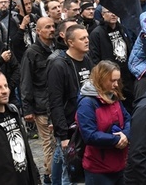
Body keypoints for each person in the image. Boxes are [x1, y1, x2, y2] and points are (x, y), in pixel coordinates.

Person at [48, 24, 94, 185]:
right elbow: (56, 102)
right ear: (70, 42)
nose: (87, 41)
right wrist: (63, 135)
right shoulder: (58, 65)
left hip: (85, 124)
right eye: (82, 38)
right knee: (70, 174)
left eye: (87, 37)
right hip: (69, 127)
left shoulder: (87, 60)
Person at [77, 60, 131, 184]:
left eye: (117, 80)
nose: (116, 84)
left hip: (120, 165)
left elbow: (127, 118)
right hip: (98, 169)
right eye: (112, 81)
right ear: (101, 79)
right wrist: (116, 140)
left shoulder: (113, 96)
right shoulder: (87, 103)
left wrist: (126, 135)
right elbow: (89, 135)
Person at [19, 16, 56, 183]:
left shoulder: (56, 48)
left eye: (53, 26)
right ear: (38, 31)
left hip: (56, 102)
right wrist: (27, 109)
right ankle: (50, 176)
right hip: (41, 105)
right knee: (49, 143)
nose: (51, 30)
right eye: (47, 27)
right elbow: (25, 81)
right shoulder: (31, 53)